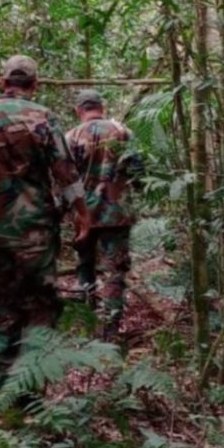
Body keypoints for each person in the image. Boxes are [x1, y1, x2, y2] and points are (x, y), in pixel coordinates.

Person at [0, 55, 91, 378]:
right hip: (36, 233)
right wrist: (82, 213)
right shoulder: (44, 118)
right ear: (34, 85)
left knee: (1, 304)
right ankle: (31, 382)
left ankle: (5, 377)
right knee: (40, 304)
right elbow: (66, 171)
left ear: (2, 83)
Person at [66, 89, 143, 339]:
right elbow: (138, 170)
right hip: (116, 212)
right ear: (102, 107)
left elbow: (62, 175)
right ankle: (111, 327)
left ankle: (86, 319)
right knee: (114, 270)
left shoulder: (71, 136)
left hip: (82, 212)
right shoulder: (123, 132)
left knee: (84, 263)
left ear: (80, 110)